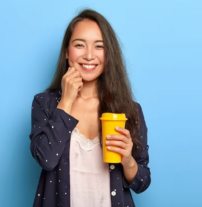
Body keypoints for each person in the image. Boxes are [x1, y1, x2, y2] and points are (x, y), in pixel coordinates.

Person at [29, 9, 151, 207]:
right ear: (67, 52)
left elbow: (142, 182)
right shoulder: (45, 103)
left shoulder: (130, 110)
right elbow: (46, 159)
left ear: (108, 54)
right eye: (79, 45)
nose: (88, 55)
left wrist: (128, 160)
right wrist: (66, 100)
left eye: (99, 46)